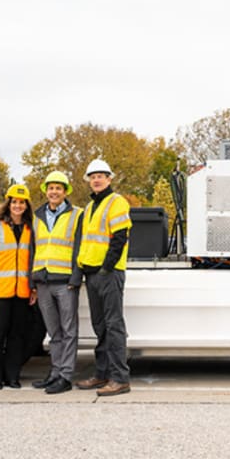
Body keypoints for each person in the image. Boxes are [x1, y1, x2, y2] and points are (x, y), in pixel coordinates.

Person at [73, 159, 132, 397]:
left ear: (109, 179)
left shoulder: (116, 202)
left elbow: (119, 238)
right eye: (93, 176)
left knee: (113, 325)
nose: (96, 179)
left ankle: (120, 378)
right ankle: (103, 373)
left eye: (101, 175)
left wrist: (107, 268)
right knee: (101, 327)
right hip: (92, 273)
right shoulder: (89, 208)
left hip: (108, 273)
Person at [30, 171, 82, 394]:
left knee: (69, 330)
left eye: (58, 188)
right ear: (46, 191)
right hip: (43, 281)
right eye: (50, 188)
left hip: (65, 282)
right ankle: (55, 372)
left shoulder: (76, 215)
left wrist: (76, 277)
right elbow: (33, 248)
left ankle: (66, 376)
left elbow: (80, 247)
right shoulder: (37, 216)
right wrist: (32, 281)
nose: (54, 192)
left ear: (65, 191)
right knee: (53, 332)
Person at [0, 183, 37, 390]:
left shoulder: (30, 229)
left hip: (22, 292)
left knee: (17, 336)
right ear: (8, 204)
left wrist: (33, 288)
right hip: (0, 291)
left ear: (26, 206)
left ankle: (12, 377)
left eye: (21, 202)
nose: (18, 206)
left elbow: (33, 261)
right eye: (14, 202)